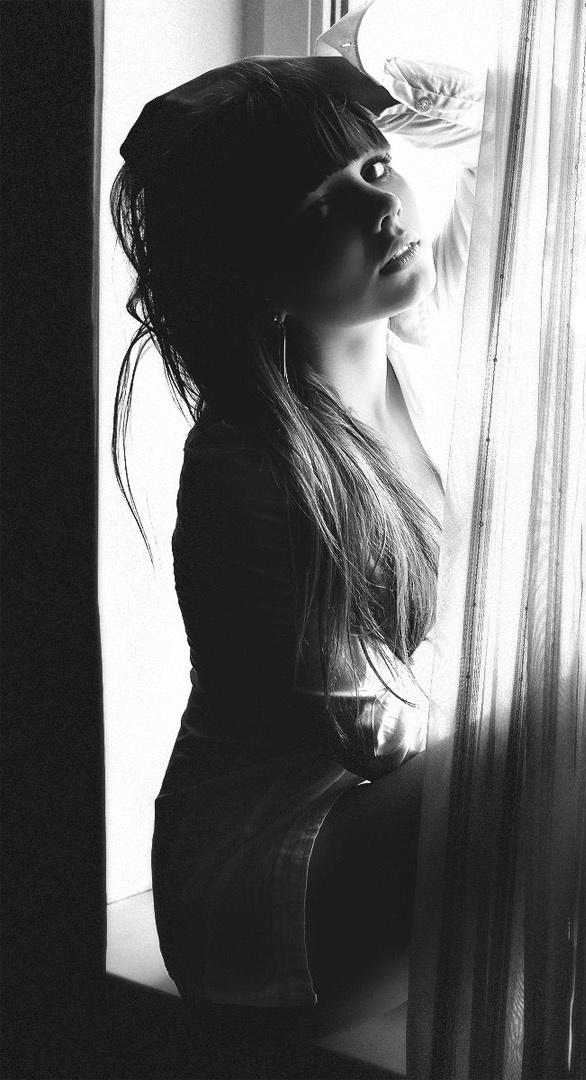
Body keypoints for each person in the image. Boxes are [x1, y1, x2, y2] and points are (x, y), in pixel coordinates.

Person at [110, 52, 479, 1034]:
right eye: (324, 204)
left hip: (363, 823)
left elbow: (501, 163)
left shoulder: (422, 356)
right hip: (262, 883)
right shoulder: (250, 465)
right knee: (559, 756)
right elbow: (364, 727)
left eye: (374, 169)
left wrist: (415, 87)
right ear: (257, 268)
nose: (383, 209)